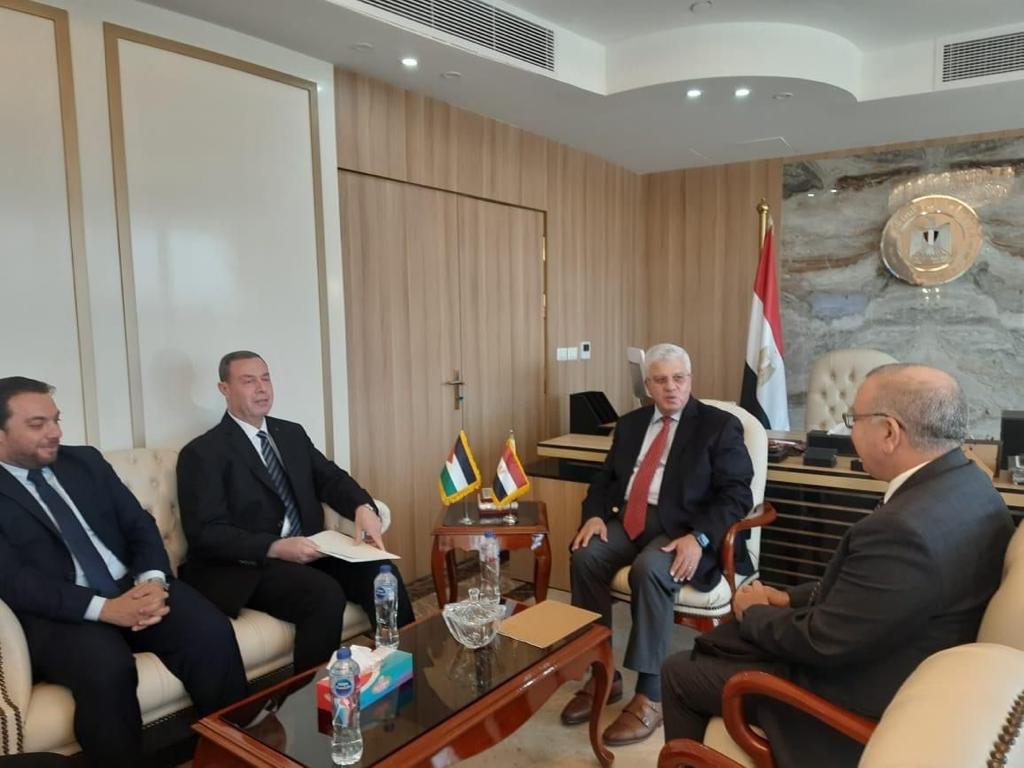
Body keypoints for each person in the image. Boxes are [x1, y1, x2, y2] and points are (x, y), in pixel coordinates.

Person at [661, 363, 1014, 768]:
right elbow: (875, 593)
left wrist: (754, 611)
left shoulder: (904, 530)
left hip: (861, 696)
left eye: (853, 420)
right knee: (717, 647)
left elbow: (822, 643)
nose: (849, 432)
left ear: (889, 432)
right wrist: (788, 598)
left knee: (680, 671)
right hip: (904, 655)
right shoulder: (971, 483)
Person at [0, 377, 247, 768]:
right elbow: (15, 581)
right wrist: (106, 609)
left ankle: (236, 754)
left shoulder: (84, 462)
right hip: (63, 613)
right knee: (108, 670)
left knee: (211, 631)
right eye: (37, 424)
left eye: (56, 420)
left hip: (132, 585)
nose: (55, 432)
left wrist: (153, 581)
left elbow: (139, 525)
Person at [562, 343, 755, 745]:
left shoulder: (719, 426)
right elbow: (604, 480)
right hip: (629, 519)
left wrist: (700, 538)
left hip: (685, 526)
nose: (671, 387)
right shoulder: (630, 424)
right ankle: (602, 672)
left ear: (690, 380)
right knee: (585, 555)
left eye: (679, 378)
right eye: (661, 380)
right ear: (647, 386)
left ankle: (651, 695)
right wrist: (594, 515)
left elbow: (737, 494)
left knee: (650, 569)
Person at [176, 351, 414, 673]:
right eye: (248, 381)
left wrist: (362, 507)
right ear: (225, 389)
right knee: (323, 594)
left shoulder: (290, 434)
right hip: (252, 564)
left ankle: (404, 667)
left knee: (380, 571)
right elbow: (206, 532)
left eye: (266, 378)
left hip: (311, 549)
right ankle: (309, 694)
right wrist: (275, 547)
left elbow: (330, 479)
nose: (262, 388)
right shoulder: (203, 453)